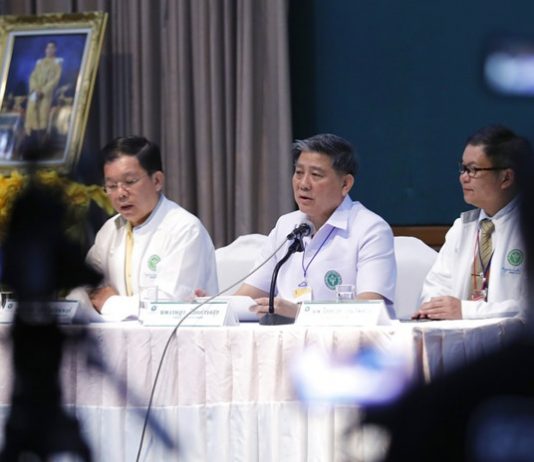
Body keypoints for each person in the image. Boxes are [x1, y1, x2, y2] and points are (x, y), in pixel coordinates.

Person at [236, 133, 396, 319]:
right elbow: (248, 297)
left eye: (316, 175)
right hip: (285, 335)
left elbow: (369, 310)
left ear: (345, 184)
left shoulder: (371, 229)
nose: (303, 184)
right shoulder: (286, 225)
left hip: (346, 337)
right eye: (299, 173)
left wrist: (299, 313)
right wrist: (213, 308)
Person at [85, 136, 218, 319]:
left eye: (130, 182)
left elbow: (170, 307)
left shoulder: (185, 229)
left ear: (157, 181)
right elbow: (87, 286)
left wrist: (110, 303)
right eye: (111, 186)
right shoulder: (110, 230)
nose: (120, 194)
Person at [414, 124, 532, 320]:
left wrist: (466, 311)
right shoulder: (461, 228)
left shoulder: (527, 228)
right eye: (463, 168)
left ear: (506, 178)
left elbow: (528, 309)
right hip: (458, 335)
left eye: (473, 170)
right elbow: (435, 287)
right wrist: (435, 309)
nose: (463, 178)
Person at [24, 41, 62, 141]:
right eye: (48, 48)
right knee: (31, 109)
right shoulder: (39, 63)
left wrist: (43, 90)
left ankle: (41, 138)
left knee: (42, 113)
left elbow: (55, 80)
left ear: (55, 50)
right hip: (35, 91)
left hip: (46, 93)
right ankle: (30, 136)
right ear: (45, 50)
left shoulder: (57, 63)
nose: (49, 50)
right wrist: (35, 88)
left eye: (52, 48)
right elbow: (33, 77)